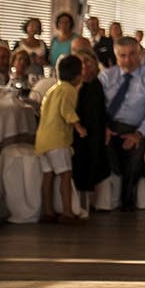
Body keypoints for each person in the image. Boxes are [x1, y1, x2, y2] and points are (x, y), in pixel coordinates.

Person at [99, 37, 145, 211]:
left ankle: (127, 198)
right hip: (109, 127)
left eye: (132, 55)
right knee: (101, 147)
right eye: (122, 56)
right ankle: (103, 199)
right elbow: (96, 107)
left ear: (141, 54)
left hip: (137, 128)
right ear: (116, 55)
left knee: (134, 150)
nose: (127, 60)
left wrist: (139, 134)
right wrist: (103, 127)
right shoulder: (107, 76)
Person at [36, 54, 87, 224]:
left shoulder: (53, 89)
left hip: (42, 140)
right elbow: (67, 111)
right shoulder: (69, 90)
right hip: (58, 140)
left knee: (47, 176)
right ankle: (67, 212)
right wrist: (79, 127)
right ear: (79, 76)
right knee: (65, 175)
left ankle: (48, 211)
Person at [69, 46, 110, 209]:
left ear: (95, 63)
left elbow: (103, 111)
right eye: (81, 62)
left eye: (88, 61)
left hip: (95, 131)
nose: (85, 66)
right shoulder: (72, 87)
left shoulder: (97, 84)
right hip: (77, 132)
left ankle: (90, 202)